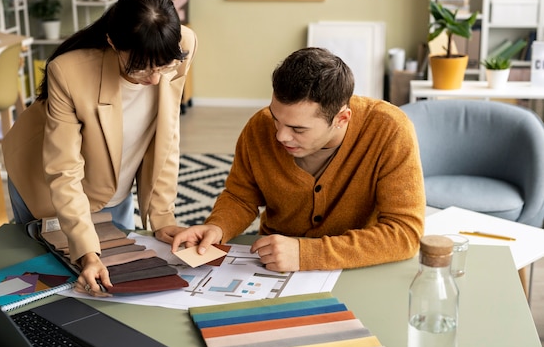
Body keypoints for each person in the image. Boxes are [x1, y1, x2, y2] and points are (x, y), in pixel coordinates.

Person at [2, 0, 197, 295]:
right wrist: (87, 254)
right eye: (142, 67)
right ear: (112, 43)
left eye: (163, 66)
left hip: (113, 177)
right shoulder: (68, 72)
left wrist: (162, 218)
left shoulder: (180, 46)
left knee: (118, 279)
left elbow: (166, 134)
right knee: (48, 276)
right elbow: (63, 170)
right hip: (42, 175)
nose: (155, 78)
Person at [157, 47, 424, 272]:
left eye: (298, 129)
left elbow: (404, 233)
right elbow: (241, 197)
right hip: (272, 265)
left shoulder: (389, 129)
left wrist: (307, 254)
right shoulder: (259, 127)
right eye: (276, 117)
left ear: (341, 119)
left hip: (357, 269)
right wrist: (216, 227)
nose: (281, 135)